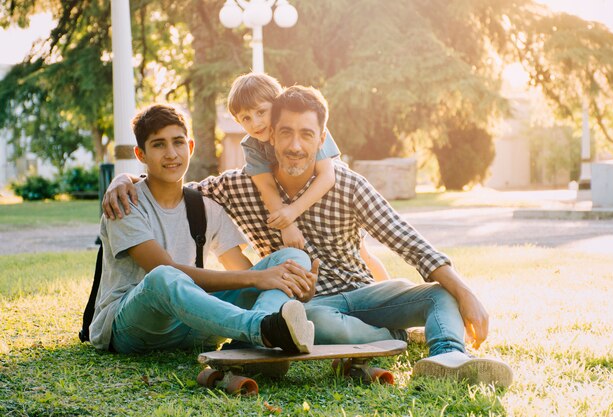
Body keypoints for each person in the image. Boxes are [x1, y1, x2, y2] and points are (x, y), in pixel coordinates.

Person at [103, 89, 513, 387]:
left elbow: (408, 240)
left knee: (438, 294)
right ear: (269, 137)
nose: (295, 145)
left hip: (363, 294)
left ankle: (448, 356)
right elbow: (172, 182)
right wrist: (123, 179)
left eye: (306, 134)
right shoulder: (237, 187)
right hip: (312, 309)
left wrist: (465, 292)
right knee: (304, 297)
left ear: (322, 138)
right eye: (285, 134)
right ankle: (293, 333)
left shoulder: (348, 184)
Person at [91, 103, 317, 355]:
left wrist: (291, 286)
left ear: (190, 147)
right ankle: (263, 330)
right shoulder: (124, 203)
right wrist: (257, 277)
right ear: (140, 154)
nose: (171, 154)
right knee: (162, 276)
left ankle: (251, 343)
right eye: (158, 144)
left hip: (193, 325)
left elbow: (240, 270)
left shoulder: (206, 206)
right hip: (136, 326)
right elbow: (163, 270)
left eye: (178, 143)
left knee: (293, 259)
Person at [226, 72, 390, 280]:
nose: (255, 123)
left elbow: (327, 177)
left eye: (261, 112)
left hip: (331, 197)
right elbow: (266, 185)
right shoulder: (252, 145)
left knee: (361, 252)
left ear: (276, 108)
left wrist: (292, 212)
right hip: (294, 199)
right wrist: (287, 225)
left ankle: (386, 288)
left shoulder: (306, 126)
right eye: (245, 118)